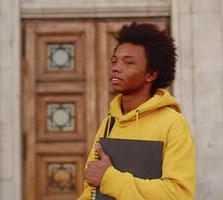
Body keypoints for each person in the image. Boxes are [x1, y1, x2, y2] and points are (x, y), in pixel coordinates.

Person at [78, 22, 196, 200]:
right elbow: (91, 189)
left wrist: (110, 179)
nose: (116, 67)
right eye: (114, 61)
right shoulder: (110, 122)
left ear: (151, 74)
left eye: (129, 62)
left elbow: (178, 194)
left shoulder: (173, 124)